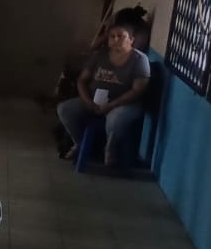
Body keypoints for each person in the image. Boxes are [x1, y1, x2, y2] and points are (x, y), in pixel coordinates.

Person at [57, 24, 151, 168]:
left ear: (131, 40)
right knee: (65, 109)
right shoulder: (99, 56)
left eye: (121, 36)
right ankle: (80, 143)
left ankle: (110, 149)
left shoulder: (139, 59)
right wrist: (87, 101)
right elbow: (82, 81)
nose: (116, 40)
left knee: (115, 120)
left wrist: (112, 105)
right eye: (112, 37)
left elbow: (137, 90)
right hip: (95, 100)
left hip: (123, 104)